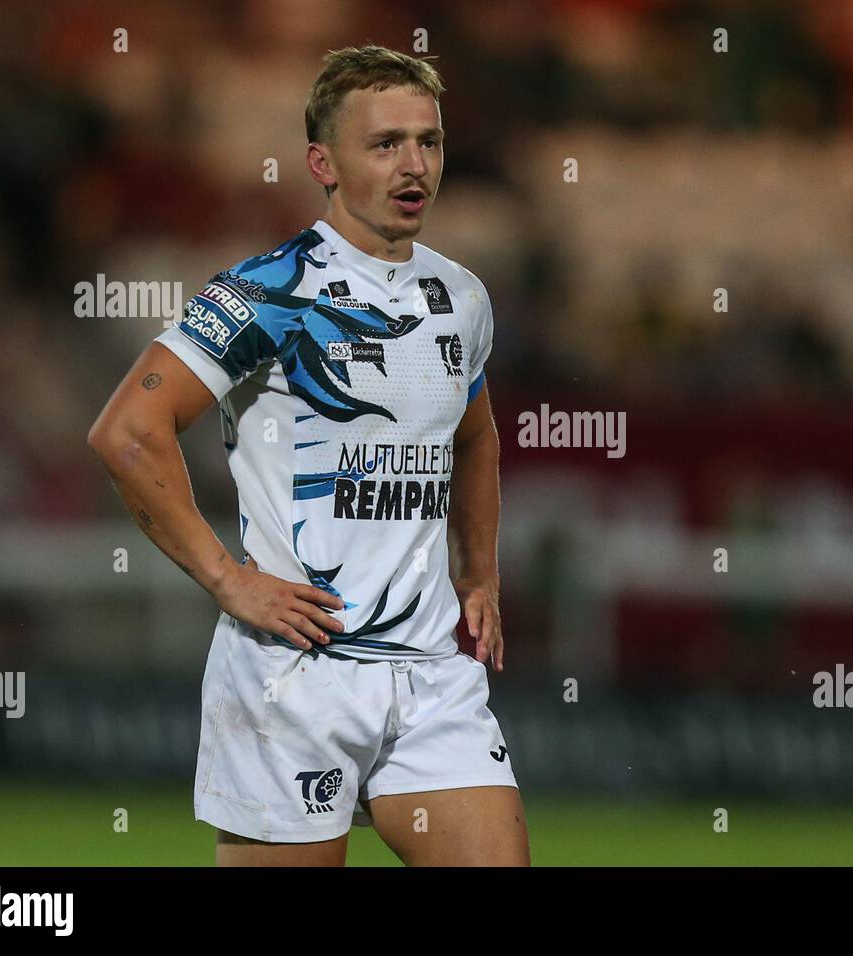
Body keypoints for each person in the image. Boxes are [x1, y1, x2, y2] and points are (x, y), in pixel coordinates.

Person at [87, 45, 528, 866]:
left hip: (430, 674)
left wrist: (480, 570)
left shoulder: (459, 297)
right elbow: (126, 432)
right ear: (322, 163)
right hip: (293, 676)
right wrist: (228, 579)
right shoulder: (264, 292)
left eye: (428, 142)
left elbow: (474, 437)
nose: (414, 165)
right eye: (385, 143)